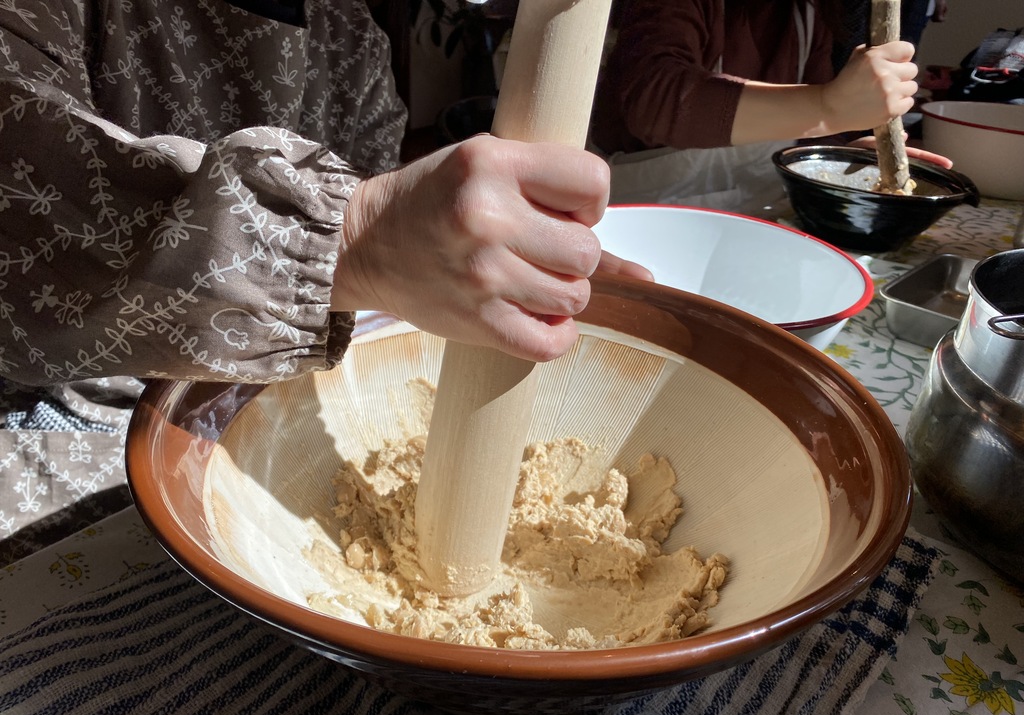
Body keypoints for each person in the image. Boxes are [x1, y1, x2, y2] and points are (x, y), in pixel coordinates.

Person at [0, 0, 648, 558]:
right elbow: (25, 202)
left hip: (277, 394)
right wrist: (359, 237)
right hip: (68, 414)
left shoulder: (349, 36)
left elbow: (366, 267)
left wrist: (466, 259)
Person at [590, 0, 950, 212]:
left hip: (751, 215)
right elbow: (656, 100)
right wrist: (826, 107)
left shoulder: (808, 14)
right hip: (640, 212)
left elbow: (804, 138)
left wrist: (839, 156)